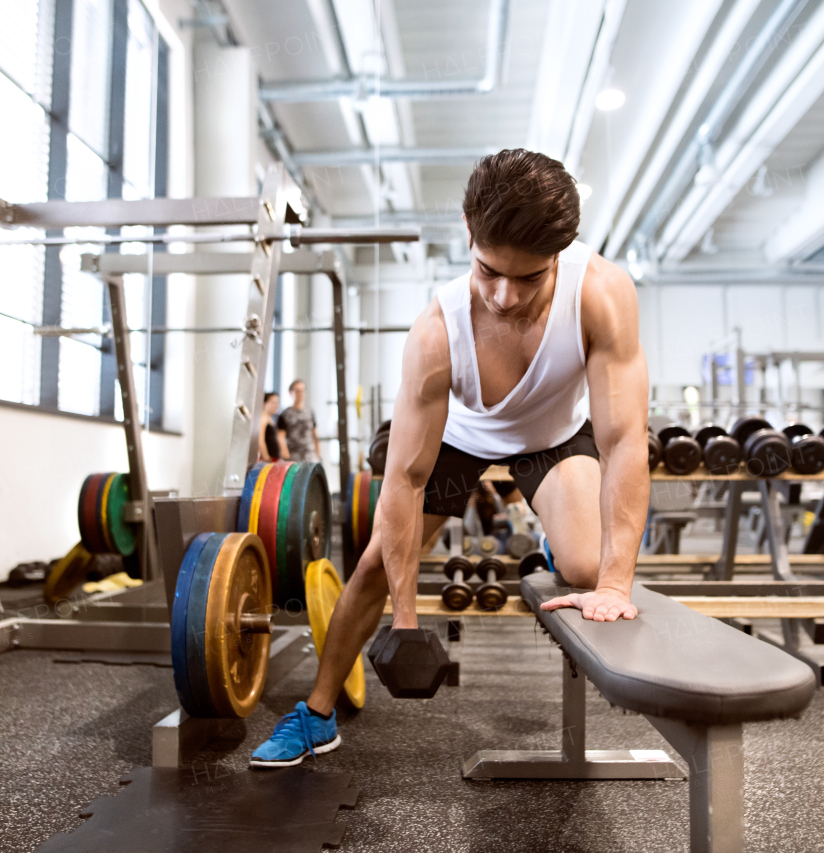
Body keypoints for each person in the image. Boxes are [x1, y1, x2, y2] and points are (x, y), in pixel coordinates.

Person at [250, 149, 649, 768]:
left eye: (529, 279)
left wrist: (617, 582)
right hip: (459, 438)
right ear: (468, 230)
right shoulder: (436, 331)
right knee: (374, 568)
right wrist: (405, 620)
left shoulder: (601, 294)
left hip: (553, 437)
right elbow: (406, 479)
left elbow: (624, 440)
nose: (505, 296)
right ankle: (316, 714)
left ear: (560, 258)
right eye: (489, 270)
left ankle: (554, 545)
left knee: (583, 568)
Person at [277, 379, 322, 463]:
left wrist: (319, 454)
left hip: (310, 455)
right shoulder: (285, 414)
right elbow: (281, 437)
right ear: (291, 392)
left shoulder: (310, 411)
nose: (300, 393)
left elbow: (315, 433)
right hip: (293, 456)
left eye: (302, 391)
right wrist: (286, 456)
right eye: (297, 391)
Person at [258, 392, 286, 462]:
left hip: (274, 458)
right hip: (268, 459)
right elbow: (260, 440)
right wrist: (266, 457)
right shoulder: (263, 419)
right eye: (273, 403)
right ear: (264, 403)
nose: (276, 405)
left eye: (277, 403)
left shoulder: (270, 419)